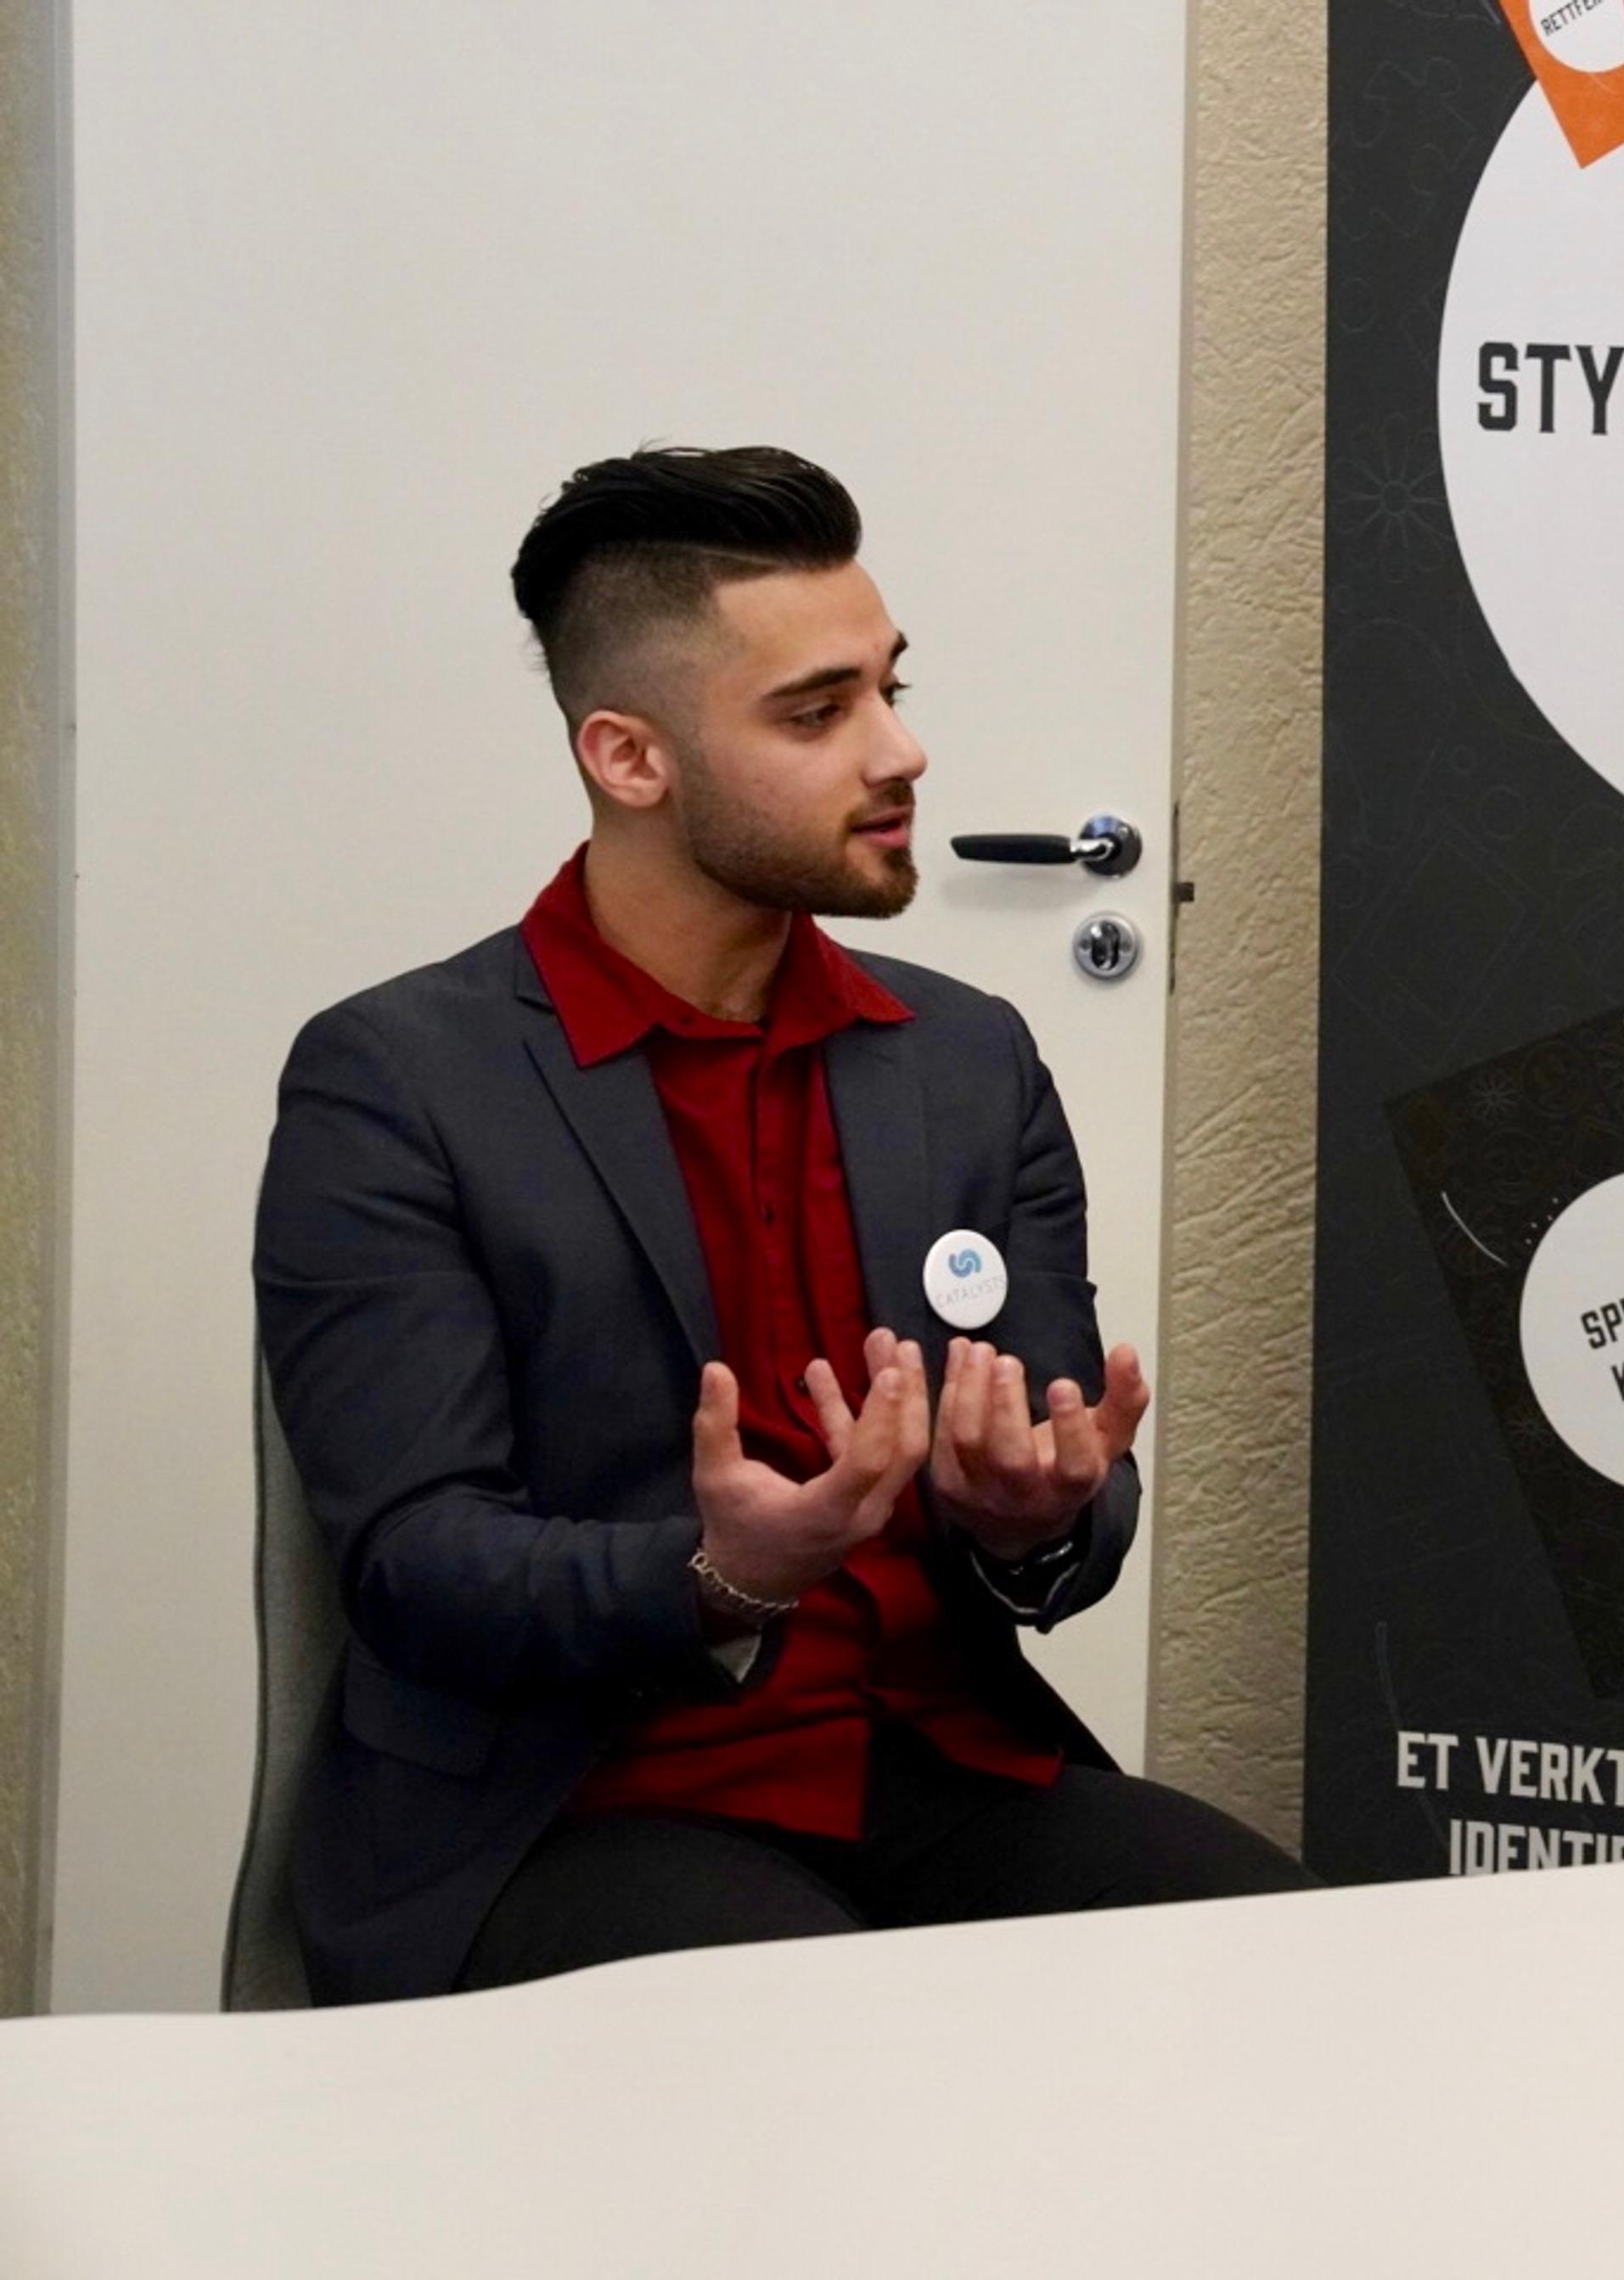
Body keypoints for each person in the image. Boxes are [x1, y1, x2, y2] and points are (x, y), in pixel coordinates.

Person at [256, 445, 1307, 2003]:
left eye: (890, 687)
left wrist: (1029, 1514)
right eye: (818, 714)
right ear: (630, 757)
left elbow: (1063, 1502)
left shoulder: (967, 1062)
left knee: (1295, 1972)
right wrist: (714, 1575)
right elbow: (415, 1562)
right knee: (833, 2046)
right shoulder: (400, 1083)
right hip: (573, 1807)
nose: (902, 749)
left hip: (928, 1763)